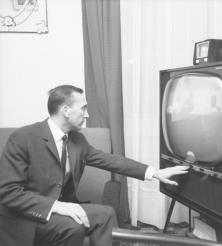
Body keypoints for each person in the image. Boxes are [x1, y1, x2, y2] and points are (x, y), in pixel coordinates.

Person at [0, 85, 189, 246]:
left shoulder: (77, 140)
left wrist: (154, 173)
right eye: (83, 108)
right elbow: (8, 192)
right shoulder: (23, 138)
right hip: (27, 218)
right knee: (73, 227)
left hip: (60, 210)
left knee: (105, 213)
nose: (87, 114)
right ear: (66, 110)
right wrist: (57, 206)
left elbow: (111, 160)